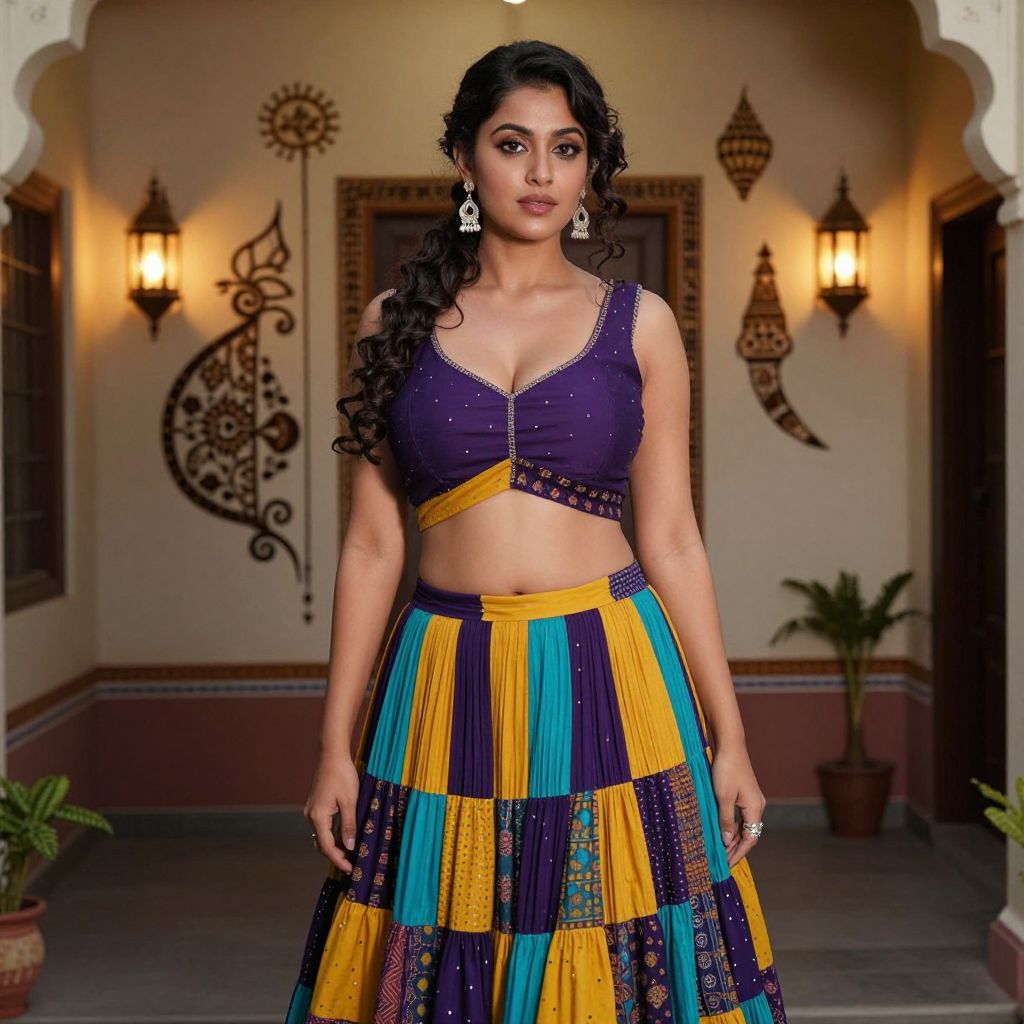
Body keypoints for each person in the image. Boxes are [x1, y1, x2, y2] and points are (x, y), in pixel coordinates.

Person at [284, 38, 787, 1024]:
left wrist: (731, 737)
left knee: (613, 941)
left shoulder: (637, 323)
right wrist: (332, 747)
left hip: (609, 665)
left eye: (567, 147)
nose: (542, 171)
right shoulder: (396, 320)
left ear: (591, 165)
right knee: (437, 946)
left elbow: (674, 537)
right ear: (466, 161)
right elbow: (371, 546)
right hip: (440, 675)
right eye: (514, 143)